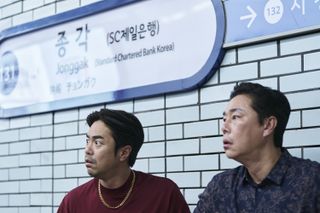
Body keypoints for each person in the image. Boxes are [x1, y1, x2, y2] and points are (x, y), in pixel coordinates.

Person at [194, 82, 320, 212]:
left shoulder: (311, 180)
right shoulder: (221, 187)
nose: (224, 128)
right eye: (225, 119)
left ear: (268, 125)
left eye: (235, 117)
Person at [58, 108, 190, 213]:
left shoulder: (164, 194)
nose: (87, 149)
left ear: (124, 153)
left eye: (97, 142)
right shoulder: (73, 201)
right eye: (88, 141)